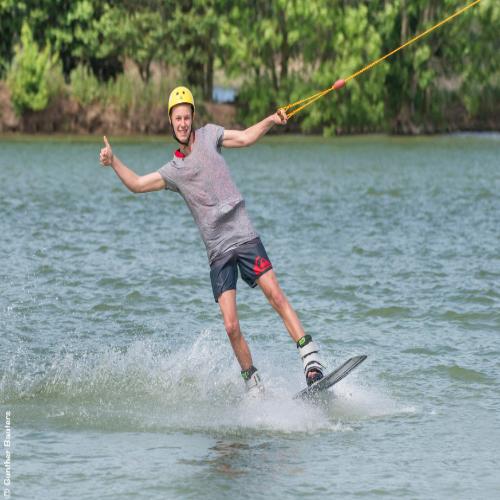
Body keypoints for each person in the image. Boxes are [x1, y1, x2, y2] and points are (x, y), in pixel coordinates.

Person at [99, 86, 325, 395]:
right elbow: (137, 184)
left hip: (243, 234)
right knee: (231, 326)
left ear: (192, 117)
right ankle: (254, 387)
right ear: (170, 122)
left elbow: (244, 138)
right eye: (177, 118)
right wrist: (114, 161)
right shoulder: (173, 171)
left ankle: (311, 362)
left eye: (186, 117)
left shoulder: (210, 135)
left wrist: (271, 120)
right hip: (218, 251)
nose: (182, 123)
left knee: (275, 294)